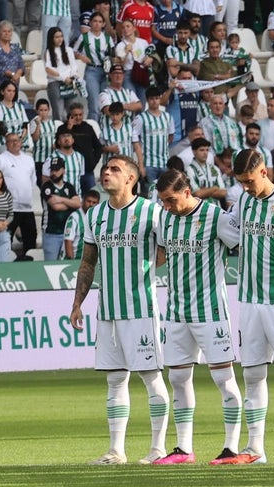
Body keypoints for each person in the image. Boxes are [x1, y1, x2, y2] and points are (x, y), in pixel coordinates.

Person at [69, 156, 169, 465]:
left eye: (114, 169)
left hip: (141, 310)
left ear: (130, 179)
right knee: (115, 381)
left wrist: (141, 271)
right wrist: (77, 302)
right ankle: (116, 450)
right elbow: (88, 261)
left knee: (151, 379)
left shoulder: (151, 212)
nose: (106, 173)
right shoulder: (95, 215)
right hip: (108, 312)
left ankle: (157, 449)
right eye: (105, 169)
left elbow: (167, 251)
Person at [149, 169, 244, 466]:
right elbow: (163, 254)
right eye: (163, 201)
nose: (167, 206)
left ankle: (231, 447)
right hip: (177, 311)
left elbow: (242, 246)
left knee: (223, 379)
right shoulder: (166, 218)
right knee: (178, 377)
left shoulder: (215, 217)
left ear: (188, 192)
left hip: (211, 311)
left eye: (171, 199)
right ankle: (183, 449)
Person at [0, 133, 37, 260]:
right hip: (9, 208)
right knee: (6, 239)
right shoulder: (1, 159)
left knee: (31, 239)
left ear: (21, 142)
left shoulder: (28, 159)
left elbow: (32, 181)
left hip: (27, 208)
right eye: (11, 141)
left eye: (17, 140)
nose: (14, 143)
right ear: (6, 144)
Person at [40, 157, 80, 261]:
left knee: (68, 263)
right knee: (50, 265)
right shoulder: (46, 187)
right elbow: (56, 206)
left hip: (68, 233)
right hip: (51, 233)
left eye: (57, 170)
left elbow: (78, 204)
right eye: (52, 170)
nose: (54, 173)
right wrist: (69, 204)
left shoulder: (69, 186)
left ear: (63, 170)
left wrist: (60, 199)